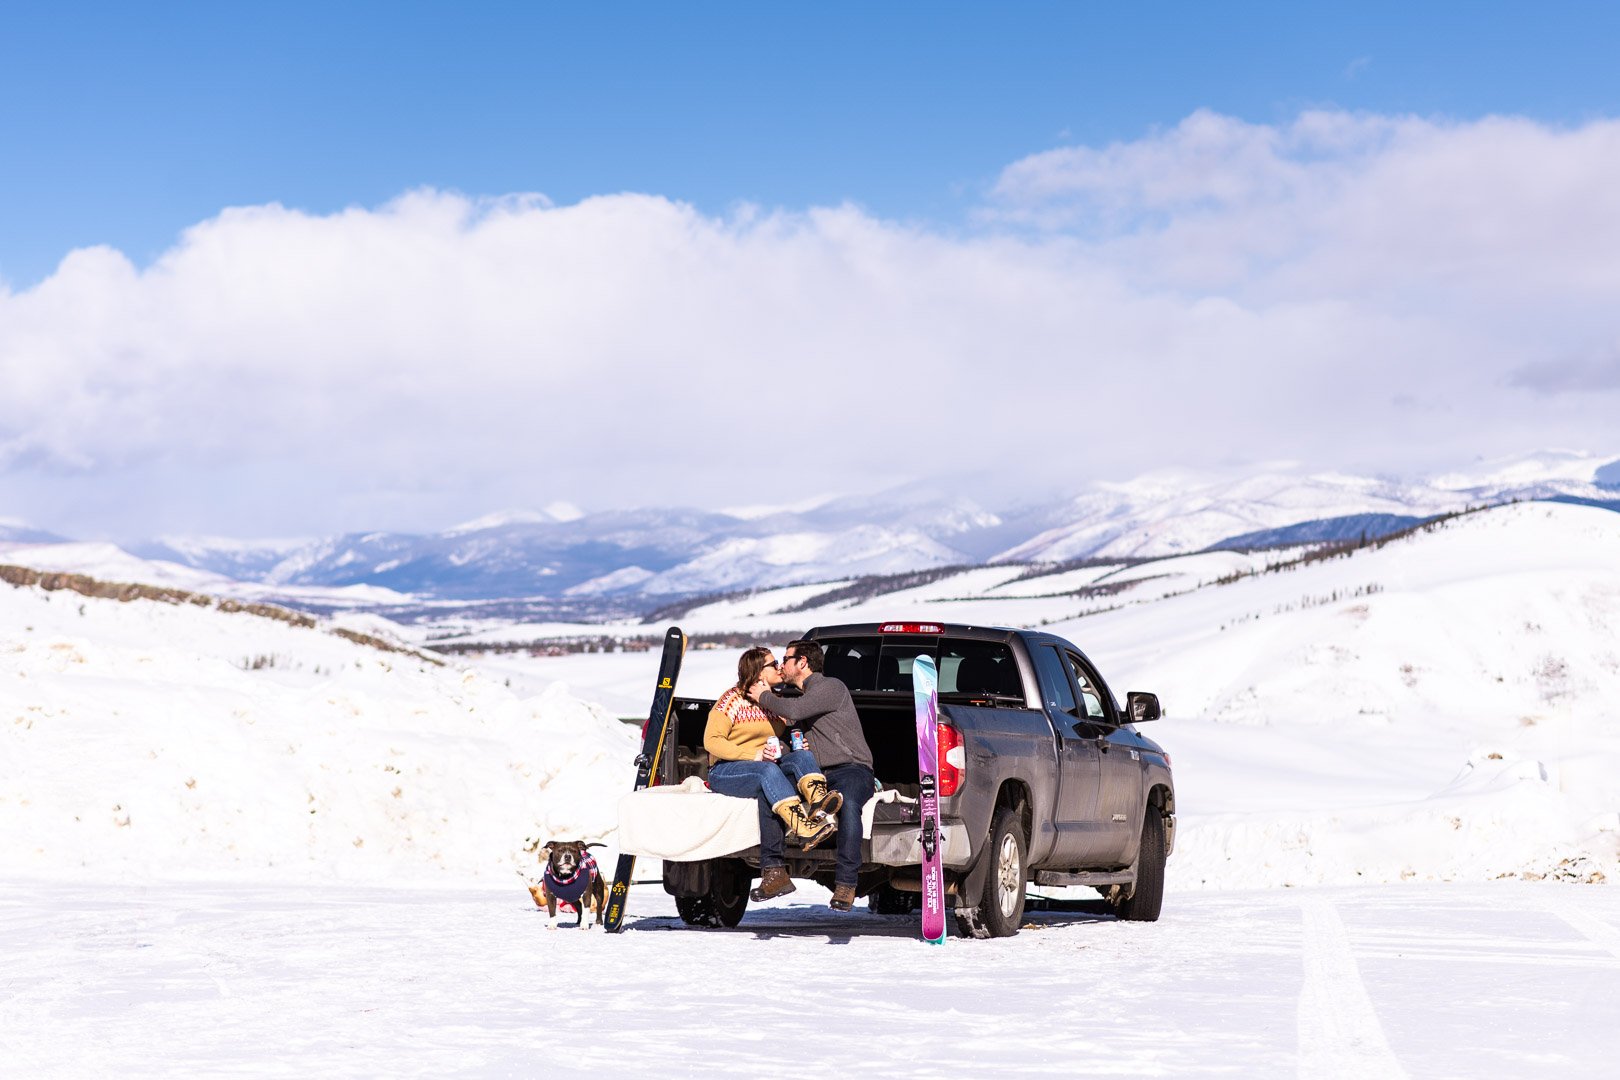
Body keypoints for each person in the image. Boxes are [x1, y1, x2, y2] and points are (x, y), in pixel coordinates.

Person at [749, 638, 875, 912]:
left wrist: (763, 696)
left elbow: (794, 712)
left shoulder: (831, 687)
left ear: (802, 663)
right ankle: (774, 871)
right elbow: (797, 738)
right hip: (816, 774)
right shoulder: (803, 700)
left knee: (849, 804)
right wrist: (777, 750)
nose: (781, 665)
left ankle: (845, 884)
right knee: (769, 784)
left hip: (851, 768)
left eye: (786, 659)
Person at [704, 646, 839, 901]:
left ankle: (819, 802)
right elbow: (712, 741)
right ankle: (804, 827)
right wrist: (753, 756)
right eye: (773, 663)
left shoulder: (772, 701)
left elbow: (783, 737)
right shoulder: (731, 700)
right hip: (727, 770)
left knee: (800, 757)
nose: (779, 666)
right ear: (758, 672)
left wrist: (797, 744)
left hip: (764, 767)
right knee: (768, 772)